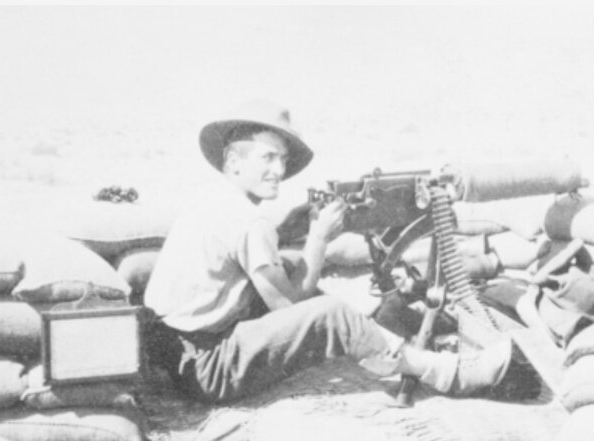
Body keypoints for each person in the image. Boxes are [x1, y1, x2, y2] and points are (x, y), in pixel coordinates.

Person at [143, 99, 513, 404]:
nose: (279, 170)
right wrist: (318, 239)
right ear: (233, 161)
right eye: (267, 158)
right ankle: (446, 373)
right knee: (330, 313)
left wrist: (292, 231)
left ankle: (378, 338)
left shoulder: (211, 199)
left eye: (282, 160)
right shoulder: (249, 222)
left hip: (174, 352)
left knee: (294, 269)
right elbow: (290, 308)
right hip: (209, 368)